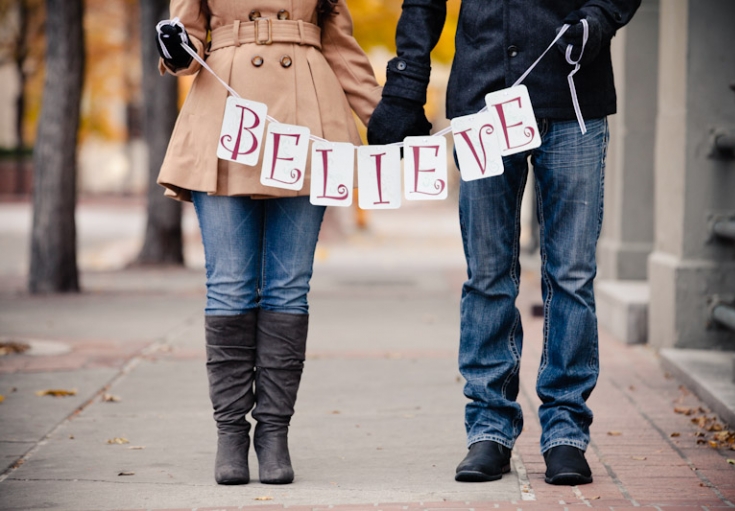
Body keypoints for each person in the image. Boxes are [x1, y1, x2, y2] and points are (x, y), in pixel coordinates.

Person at [368, 0, 640, 486]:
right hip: (482, 105)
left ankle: (565, 432)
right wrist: (406, 87)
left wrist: (600, 17)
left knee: (572, 275)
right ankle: (489, 429)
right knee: (488, 275)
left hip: (573, 97)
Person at [154, 0, 381, 485]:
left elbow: (339, 44)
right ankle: (231, 434)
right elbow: (189, 38)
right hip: (227, 111)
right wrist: (176, 48)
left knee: (289, 286)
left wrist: (385, 116)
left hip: (308, 116)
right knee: (231, 284)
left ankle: (273, 434)